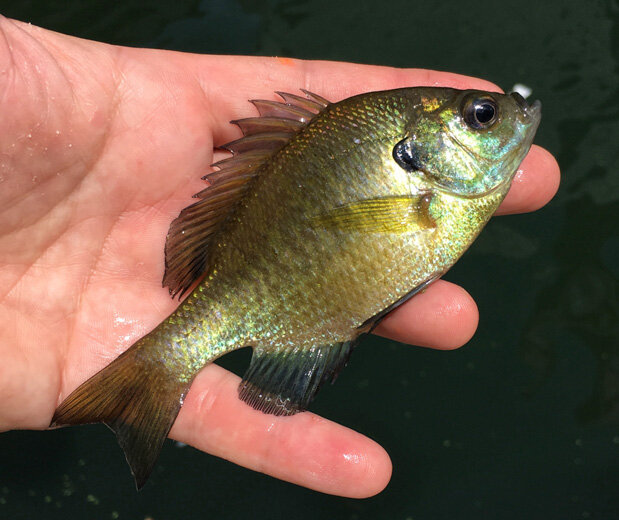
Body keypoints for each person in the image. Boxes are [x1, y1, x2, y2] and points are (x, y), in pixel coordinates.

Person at [0, 17, 560, 498]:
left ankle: (145, 384)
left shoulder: (418, 180)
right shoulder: (414, 180)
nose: (501, 115)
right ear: (416, 152)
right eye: (481, 116)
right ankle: (148, 378)